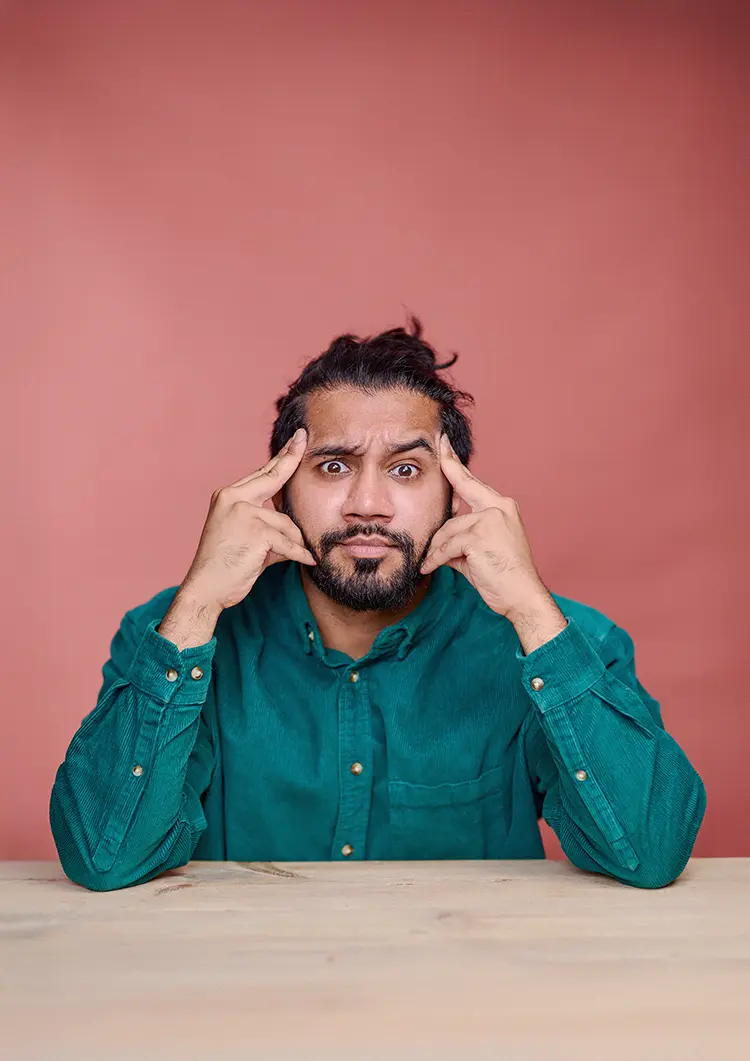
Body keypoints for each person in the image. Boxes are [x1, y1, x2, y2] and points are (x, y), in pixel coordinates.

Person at [50, 318, 706, 892]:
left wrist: (534, 613)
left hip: (466, 1013)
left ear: (457, 493)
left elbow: (648, 853)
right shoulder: (173, 637)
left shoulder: (556, 643)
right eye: (333, 466)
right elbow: (105, 857)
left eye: (406, 470)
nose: (368, 504)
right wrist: (196, 605)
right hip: (239, 1011)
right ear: (278, 491)